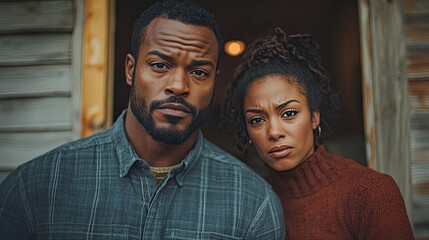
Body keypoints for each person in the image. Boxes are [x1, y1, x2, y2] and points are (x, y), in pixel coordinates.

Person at [0, 1, 285, 239]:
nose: (178, 85)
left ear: (214, 83)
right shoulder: (36, 188)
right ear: (130, 70)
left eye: (199, 72)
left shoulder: (252, 204)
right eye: (160, 65)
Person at [222, 27, 414, 239]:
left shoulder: (371, 192)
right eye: (257, 120)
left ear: (314, 117)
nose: (274, 132)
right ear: (248, 131)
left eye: (289, 113)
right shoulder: (253, 202)